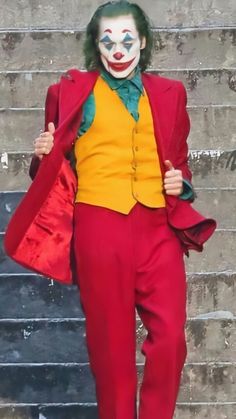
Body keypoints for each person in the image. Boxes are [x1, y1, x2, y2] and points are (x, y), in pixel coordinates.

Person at [4, 1, 216, 418]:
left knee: (171, 338)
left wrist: (183, 185)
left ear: (143, 42)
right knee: (111, 351)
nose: (118, 49)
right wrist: (42, 155)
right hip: (99, 227)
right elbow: (51, 171)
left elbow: (179, 159)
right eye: (107, 40)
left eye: (126, 39)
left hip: (158, 230)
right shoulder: (67, 93)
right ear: (95, 46)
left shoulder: (171, 94)